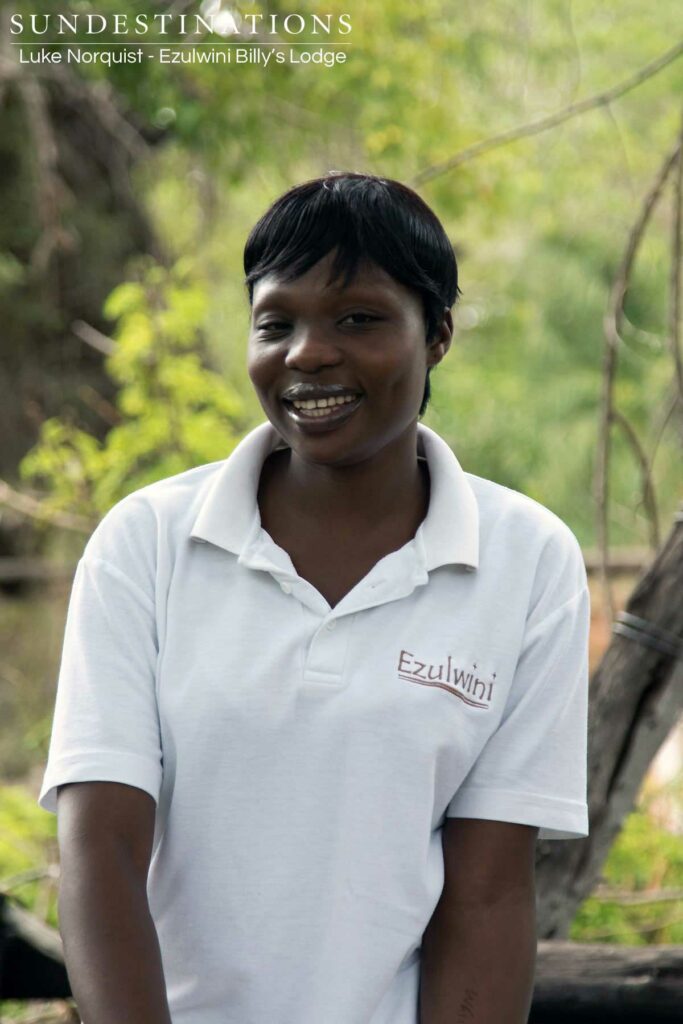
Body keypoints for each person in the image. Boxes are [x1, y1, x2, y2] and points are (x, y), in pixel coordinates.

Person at [37, 172, 590, 1024]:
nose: (307, 353)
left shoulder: (526, 562)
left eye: (358, 319)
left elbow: (485, 899)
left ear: (437, 334)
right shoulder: (145, 544)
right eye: (276, 323)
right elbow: (100, 850)